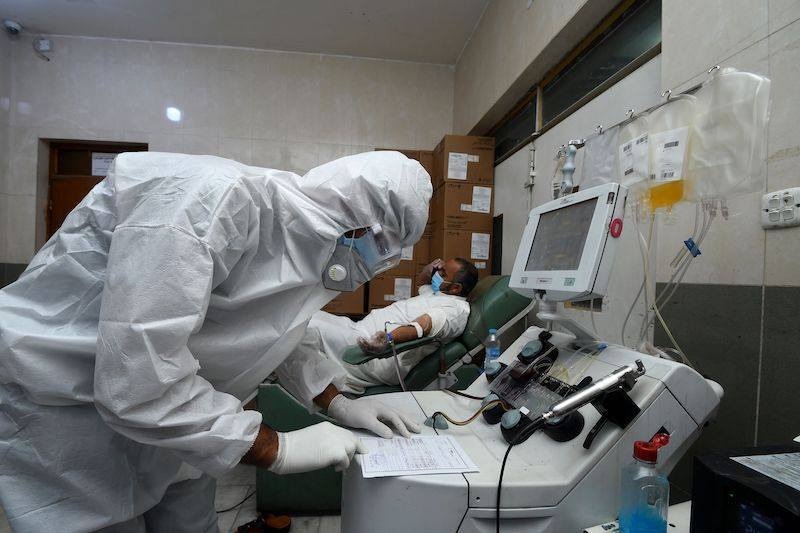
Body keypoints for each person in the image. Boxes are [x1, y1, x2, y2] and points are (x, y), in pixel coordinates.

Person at [0, 150, 431, 532]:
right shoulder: (209, 201)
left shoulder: (309, 246)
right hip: (69, 406)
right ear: (361, 220)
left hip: (181, 415)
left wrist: (337, 402)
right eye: (384, 246)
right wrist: (275, 447)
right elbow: (135, 378)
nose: (381, 263)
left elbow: (279, 333)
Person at [284, 258, 478, 396]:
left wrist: (388, 339)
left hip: (377, 353)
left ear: (456, 288)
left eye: (442, 274)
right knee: (307, 315)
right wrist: (429, 271)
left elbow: (424, 325)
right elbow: (423, 283)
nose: (438, 275)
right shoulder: (440, 293)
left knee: (306, 327)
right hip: (358, 330)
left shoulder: (455, 311)